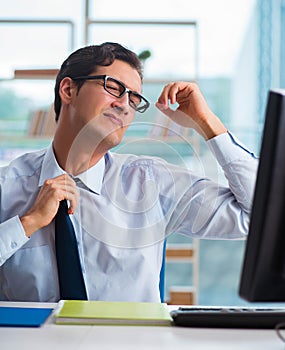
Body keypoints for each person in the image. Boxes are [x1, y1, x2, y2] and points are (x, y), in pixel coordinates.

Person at [0, 42, 257, 302]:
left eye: (134, 99)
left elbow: (256, 215)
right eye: (113, 87)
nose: (124, 105)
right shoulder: (6, 186)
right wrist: (27, 224)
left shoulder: (151, 182)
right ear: (68, 89)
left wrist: (206, 123)